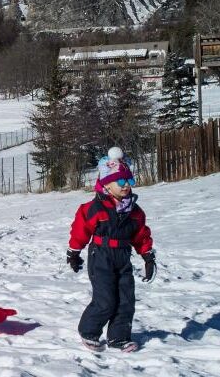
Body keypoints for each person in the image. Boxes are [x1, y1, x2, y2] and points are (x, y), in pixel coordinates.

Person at [67, 146, 156, 352]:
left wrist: (148, 257)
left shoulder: (134, 211)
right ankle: (89, 331)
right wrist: (74, 252)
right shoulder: (94, 208)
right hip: (101, 256)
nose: (126, 186)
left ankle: (119, 337)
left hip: (123, 257)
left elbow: (141, 235)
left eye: (130, 181)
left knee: (126, 299)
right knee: (105, 299)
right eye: (121, 181)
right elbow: (80, 229)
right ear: (107, 184)